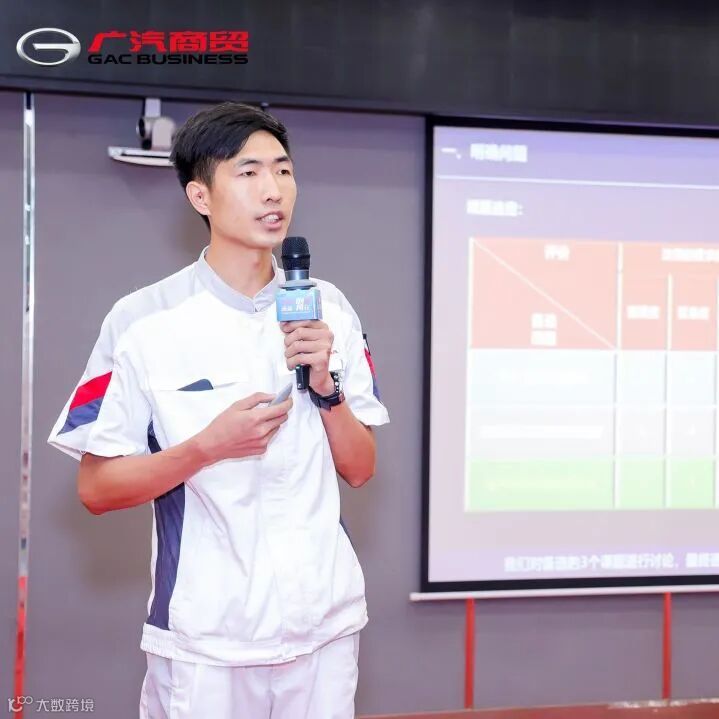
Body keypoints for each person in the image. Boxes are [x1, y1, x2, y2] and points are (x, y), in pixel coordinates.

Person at [47, 101, 389, 718]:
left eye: (283, 170)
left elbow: (361, 468)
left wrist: (327, 389)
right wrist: (208, 447)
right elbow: (96, 489)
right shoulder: (142, 322)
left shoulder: (330, 308)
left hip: (326, 629)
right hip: (208, 642)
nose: (273, 190)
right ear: (200, 195)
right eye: (248, 172)